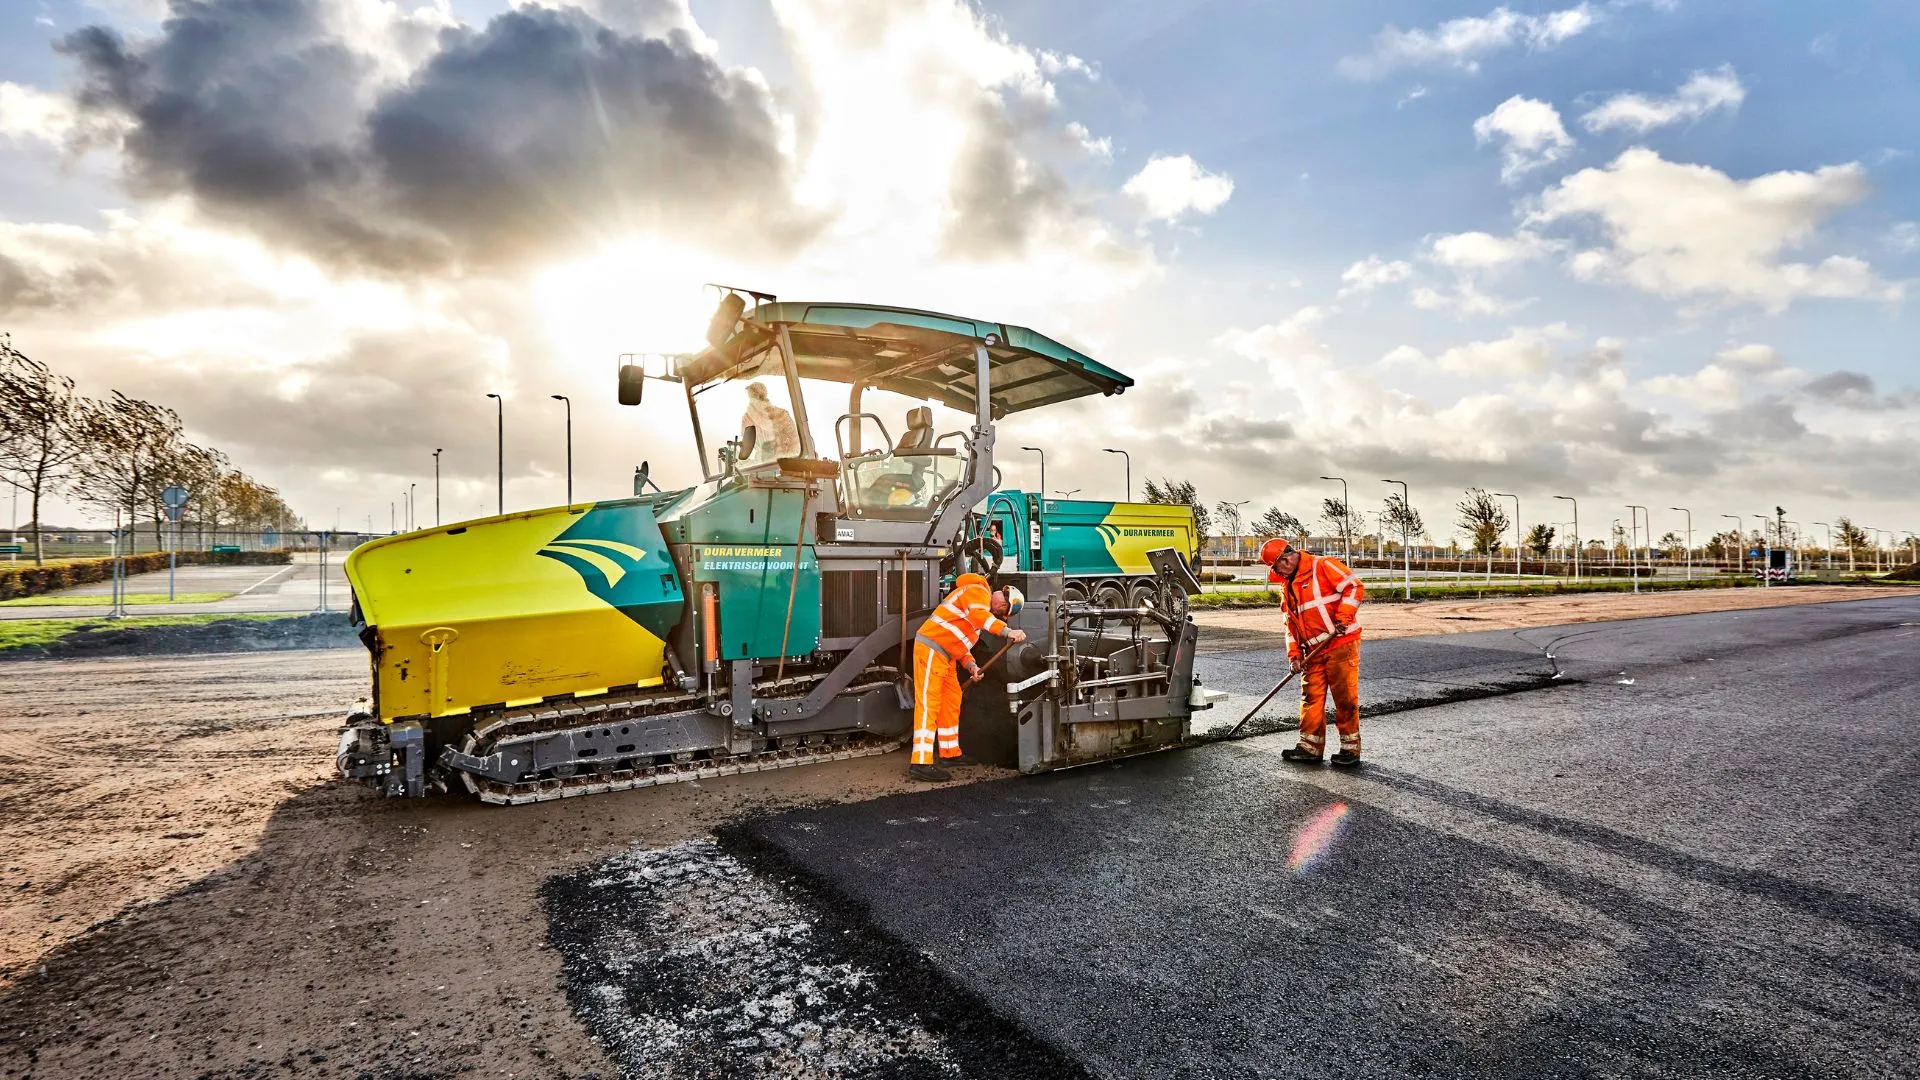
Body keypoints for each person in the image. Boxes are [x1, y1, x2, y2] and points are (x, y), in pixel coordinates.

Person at [907, 574, 1026, 782]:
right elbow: (982, 617)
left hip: (946, 657)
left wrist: (972, 667)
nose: (998, 613)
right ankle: (920, 763)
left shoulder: (976, 616)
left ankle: (950, 753)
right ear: (1003, 598)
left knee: (951, 702)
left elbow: (962, 648)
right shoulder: (978, 592)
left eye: (1002, 614)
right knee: (929, 704)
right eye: (1002, 610)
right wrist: (1007, 632)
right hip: (931, 650)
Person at [1260, 536, 1365, 767]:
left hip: (1340, 641)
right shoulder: (1287, 586)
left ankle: (1350, 748)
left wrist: (1344, 618)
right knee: (1311, 697)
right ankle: (1310, 746)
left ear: (1286, 560)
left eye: (1277, 568)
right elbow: (1290, 625)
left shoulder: (1323, 565)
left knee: (1344, 696)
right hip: (1312, 650)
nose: (1279, 573)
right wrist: (1294, 655)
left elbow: (1354, 586)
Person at [739, 381, 801, 465]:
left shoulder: (781, 415)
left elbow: (795, 442)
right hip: (767, 464)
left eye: (751, 395)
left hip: (779, 465)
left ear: (755, 395)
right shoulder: (748, 418)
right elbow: (747, 446)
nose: (749, 398)